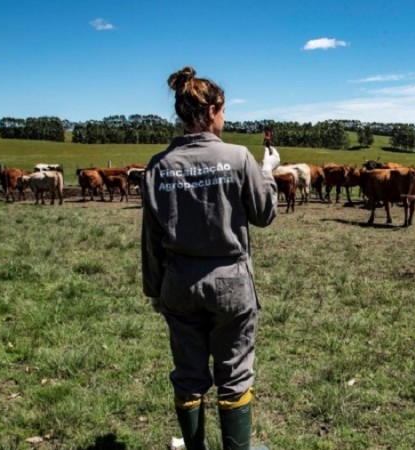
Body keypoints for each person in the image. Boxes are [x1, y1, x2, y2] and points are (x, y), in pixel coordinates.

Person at [141, 66, 279, 450]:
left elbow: (150, 238)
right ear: (213, 109)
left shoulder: (158, 166)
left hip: (178, 283)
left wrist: (154, 290)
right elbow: (265, 213)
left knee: (187, 374)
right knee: (234, 373)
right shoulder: (237, 158)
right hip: (230, 285)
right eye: (224, 110)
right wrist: (267, 170)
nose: (225, 117)